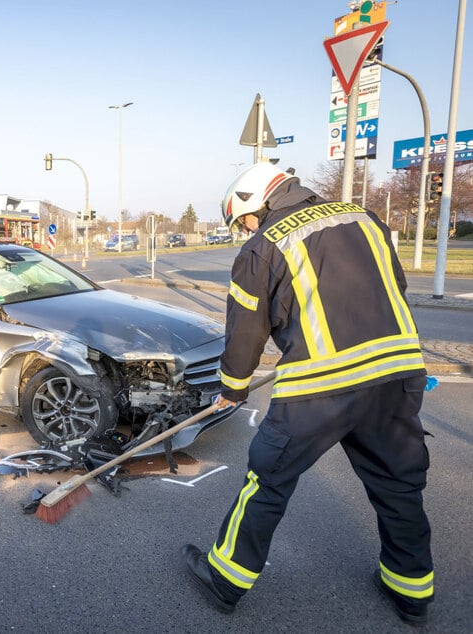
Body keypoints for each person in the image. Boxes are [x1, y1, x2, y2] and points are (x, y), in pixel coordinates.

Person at [182, 162, 433, 626]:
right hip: (396, 373)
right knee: (398, 483)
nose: (245, 232)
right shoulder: (364, 217)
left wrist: (232, 389)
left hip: (321, 386)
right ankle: (410, 590)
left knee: (268, 478)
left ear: (254, 205)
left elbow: (246, 331)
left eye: (243, 222)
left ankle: (225, 580)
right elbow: (393, 288)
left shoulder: (263, 247)